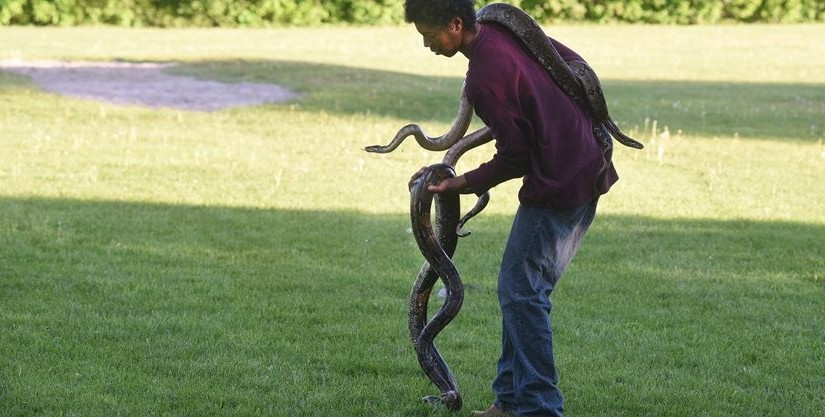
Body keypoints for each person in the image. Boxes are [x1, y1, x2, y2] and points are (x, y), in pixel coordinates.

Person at [404, 1, 619, 416]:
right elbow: (570, 63)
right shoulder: (504, 32)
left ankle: (539, 408)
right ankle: (509, 401)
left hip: (560, 182)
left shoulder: (485, 73)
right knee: (521, 291)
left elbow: (515, 155)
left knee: (522, 294)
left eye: (430, 34)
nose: (426, 44)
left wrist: (460, 182)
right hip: (585, 164)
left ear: (455, 24)